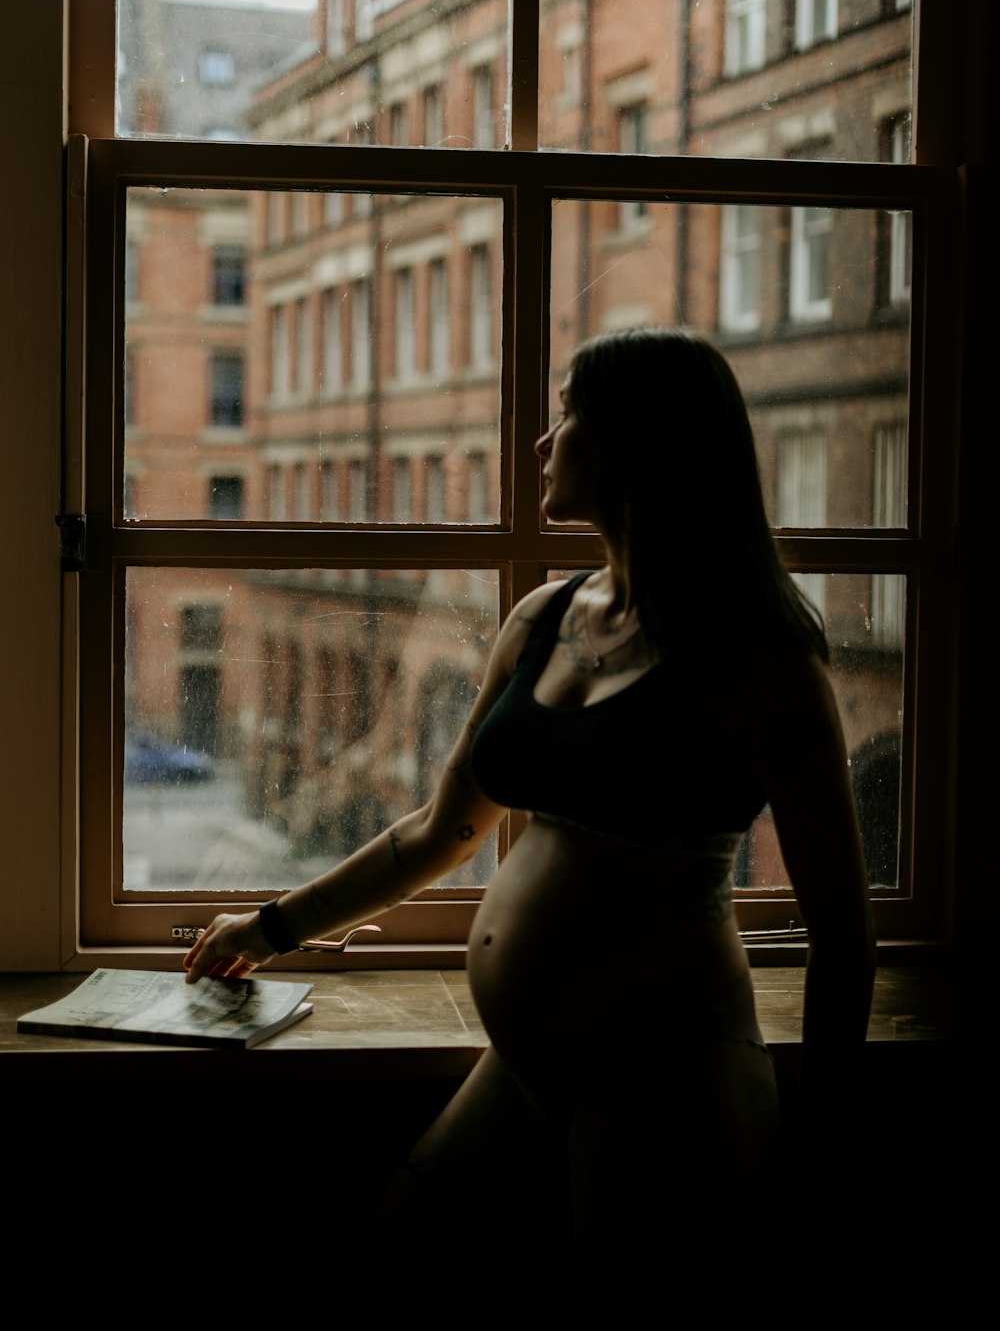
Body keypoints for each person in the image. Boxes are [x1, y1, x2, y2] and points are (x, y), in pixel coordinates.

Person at [184, 329, 875, 1292]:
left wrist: (823, 1159)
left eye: (567, 416)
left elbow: (843, 935)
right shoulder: (544, 618)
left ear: (639, 445)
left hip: (668, 1075)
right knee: (385, 1243)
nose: (544, 445)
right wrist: (267, 928)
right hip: (528, 1063)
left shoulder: (762, 663)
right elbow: (435, 832)